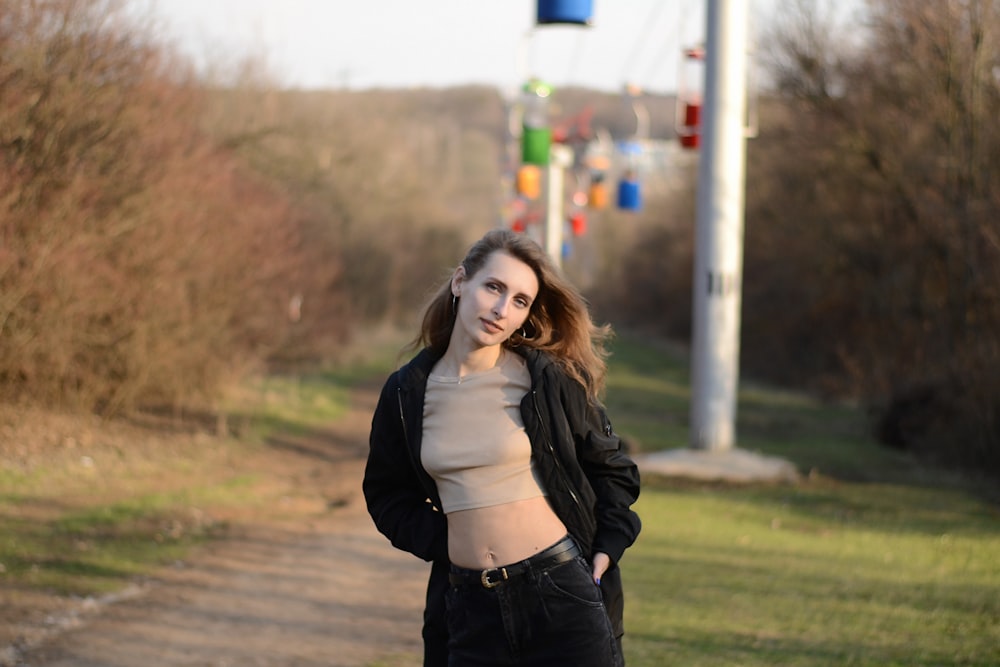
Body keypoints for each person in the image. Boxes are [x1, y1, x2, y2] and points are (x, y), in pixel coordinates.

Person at [363, 229, 641, 666]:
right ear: (460, 282)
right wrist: (447, 542)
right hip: (469, 606)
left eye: (519, 301)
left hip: (560, 591)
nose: (500, 309)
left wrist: (608, 544)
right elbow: (385, 495)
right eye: (493, 287)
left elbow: (612, 469)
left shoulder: (546, 380)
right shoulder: (406, 393)